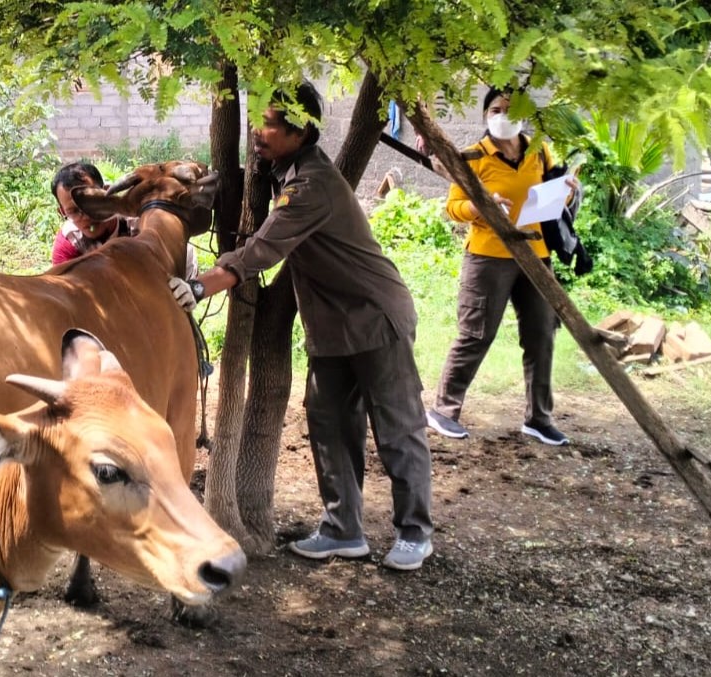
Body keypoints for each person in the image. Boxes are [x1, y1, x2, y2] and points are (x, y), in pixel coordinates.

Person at [169, 82, 434, 571]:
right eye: (257, 119)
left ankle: (415, 533)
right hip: (330, 325)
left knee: (397, 426)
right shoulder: (280, 171)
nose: (257, 130)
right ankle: (343, 530)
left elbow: (260, 251)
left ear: (302, 131)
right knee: (330, 425)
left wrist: (200, 286)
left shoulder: (312, 184)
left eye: (270, 123)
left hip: (374, 317)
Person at [424, 87, 576, 447]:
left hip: (535, 254)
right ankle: (444, 410)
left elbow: (555, 195)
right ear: (485, 115)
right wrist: (480, 206)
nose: (505, 115)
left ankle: (539, 419)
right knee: (476, 333)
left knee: (541, 335)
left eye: (512, 109)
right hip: (488, 257)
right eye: (497, 109)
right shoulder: (471, 157)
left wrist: (567, 190)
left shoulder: (540, 150)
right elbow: (453, 208)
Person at [49, 161, 198, 277]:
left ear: (106, 193)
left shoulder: (141, 222)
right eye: (74, 211)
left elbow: (176, 257)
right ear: (62, 212)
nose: (87, 215)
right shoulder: (69, 242)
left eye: (92, 202)